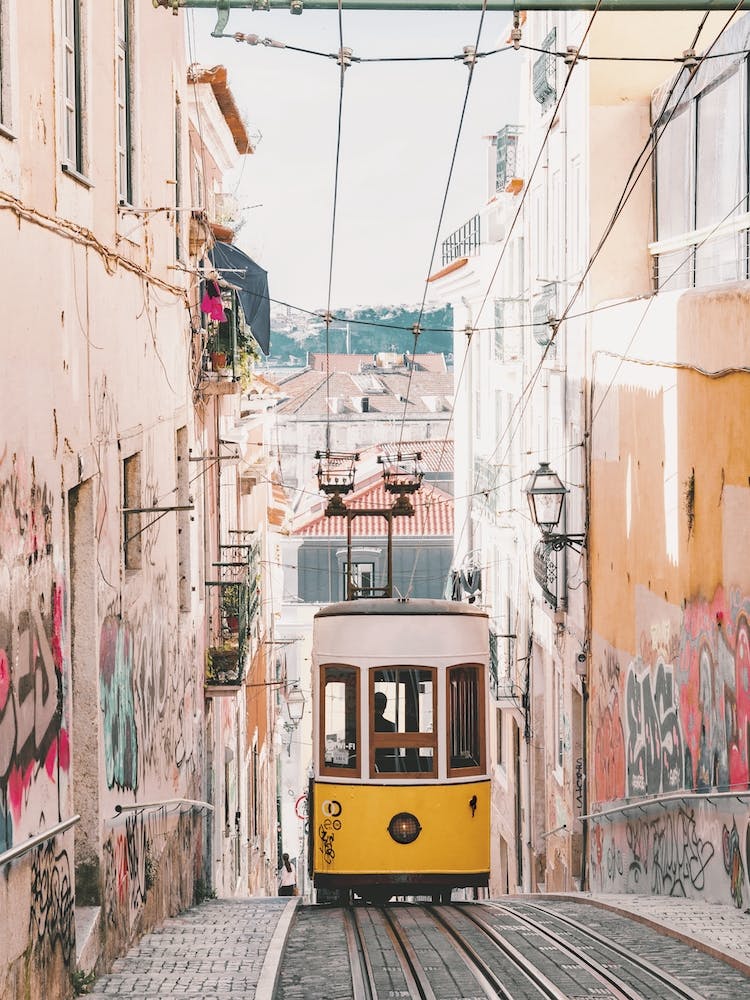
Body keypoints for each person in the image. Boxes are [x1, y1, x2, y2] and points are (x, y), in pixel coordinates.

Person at [374, 692, 397, 772]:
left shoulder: (363, 726)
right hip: (388, 768)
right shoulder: (391, 726)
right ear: (385, 707)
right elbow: (395, 752)